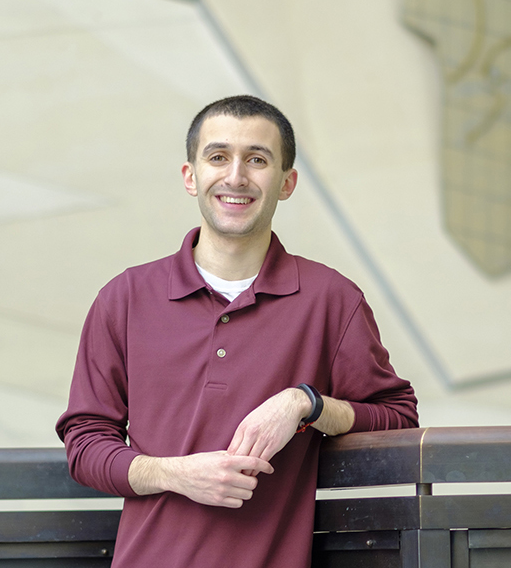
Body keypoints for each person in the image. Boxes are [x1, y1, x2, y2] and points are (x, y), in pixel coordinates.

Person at [56, 95, 418, 568]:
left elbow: (397, 419)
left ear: (286, 183)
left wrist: (304, 404)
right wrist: (175, 474)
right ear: (191, 176)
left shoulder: (332, 299)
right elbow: (84, 442)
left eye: (257, 160)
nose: (235, 177)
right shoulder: (124, 298)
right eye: (218, 157)